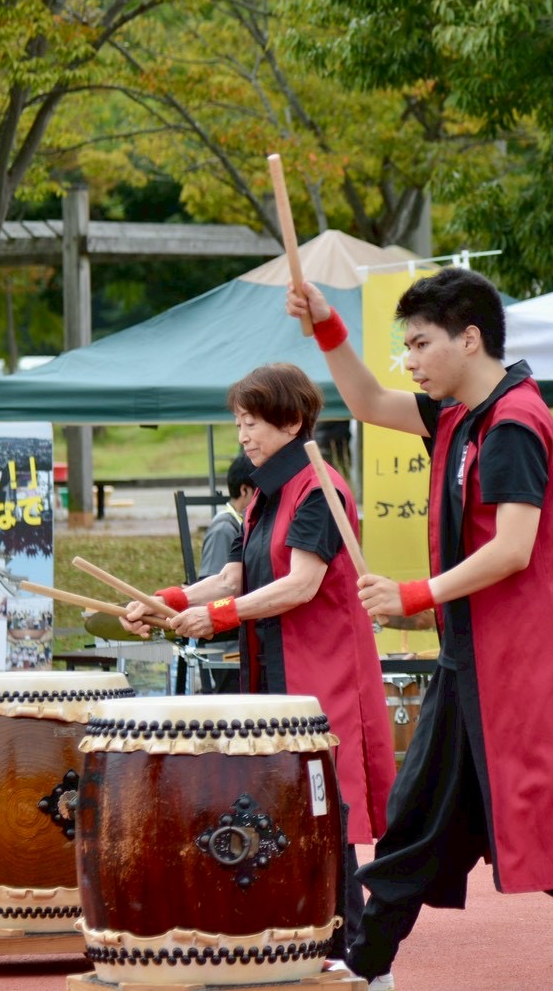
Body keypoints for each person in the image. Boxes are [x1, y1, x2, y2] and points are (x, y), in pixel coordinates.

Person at [286, 269, 553, 991]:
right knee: (416, 821)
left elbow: (513, 549)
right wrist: (326, 324)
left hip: (524, 670)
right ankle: (369, 964)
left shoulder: (512, 423)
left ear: (469, 338)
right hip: (468, 666)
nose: (410, 360)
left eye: (420, 343)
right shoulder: (456, 416)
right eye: (406, 346)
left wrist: (416, 594)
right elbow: (365, 402)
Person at [122, 365, 395, 978]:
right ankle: (305, 939)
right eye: (239, 422)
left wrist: (216, 616)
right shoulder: (267, 493)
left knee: (328, 810)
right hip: (275, 674)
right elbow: (234, 576)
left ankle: (357, 953)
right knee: (286, 807)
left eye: (252, 422)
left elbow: (302, 583)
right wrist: (164, 601)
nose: (242, 434)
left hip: (322, 677)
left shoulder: (319, 487)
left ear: (292, 422)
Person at [200, 452, 256, 581]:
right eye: (260, 491)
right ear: (244, 490)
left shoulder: (242, 522)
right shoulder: (223, 529)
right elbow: (213, 582)